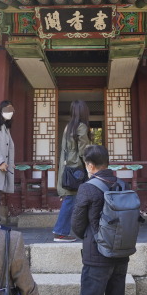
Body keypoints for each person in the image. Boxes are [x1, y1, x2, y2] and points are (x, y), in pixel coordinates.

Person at [71, 145, 132, 295]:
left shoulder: (88, 188)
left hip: (96, 260)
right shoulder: (123, 184)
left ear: (90, 166)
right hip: (121, 258)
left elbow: (77, 226)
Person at [54, 100, 92, 242]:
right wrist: (90, 167)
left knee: (72, 199)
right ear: (83, 111)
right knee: (70, 200)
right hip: (77, 169)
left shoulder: (68, 127)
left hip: (67, 168)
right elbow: (84, 151)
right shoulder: (81, 127)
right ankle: (60, 232)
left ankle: (63, 231)